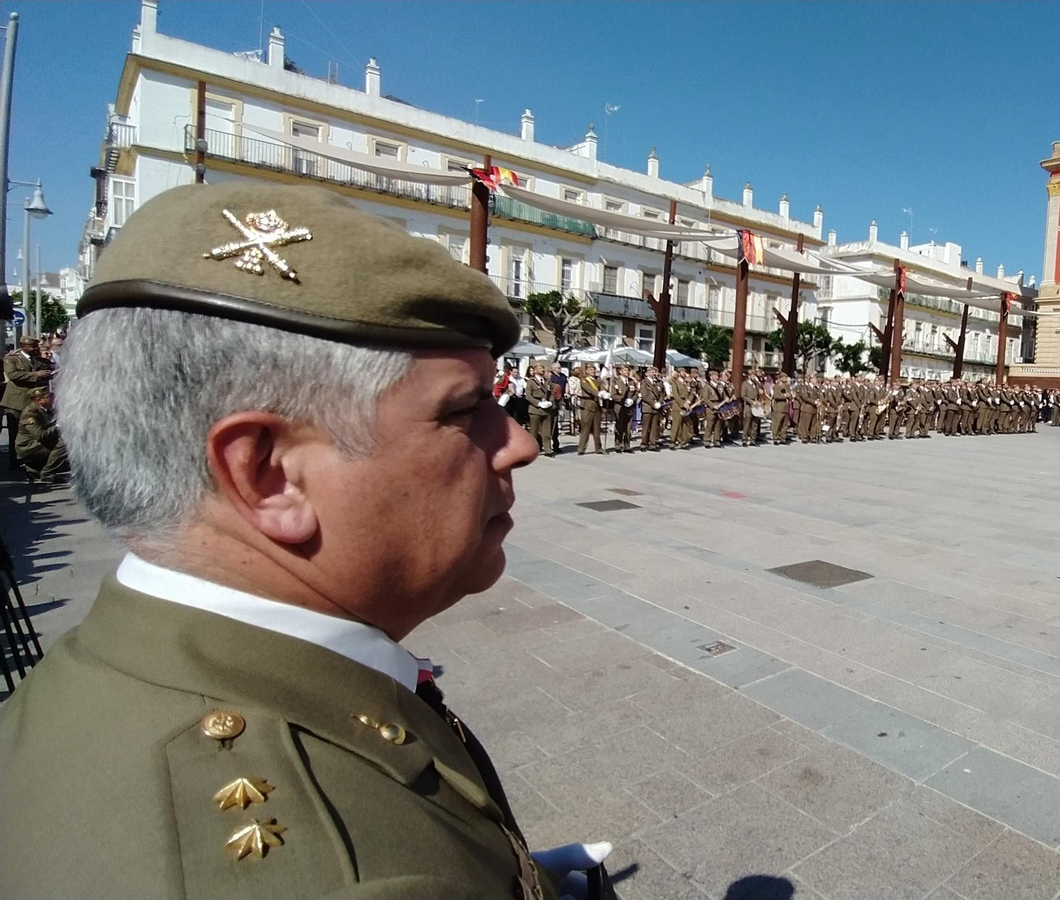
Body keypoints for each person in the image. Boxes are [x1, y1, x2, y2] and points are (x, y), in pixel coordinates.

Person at [0, 183, 613, 898]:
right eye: (466, 409)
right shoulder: (357, 879)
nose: (518, 445)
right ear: (269, 475)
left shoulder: (89, 677)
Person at [3, 336, 55, 469]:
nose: (35, 348)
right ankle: (15, 461)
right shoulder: (12, 359)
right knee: (14, 433)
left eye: (36, 346)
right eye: (32, 346)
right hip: (16, 402)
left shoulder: (39, 360)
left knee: (37, 430)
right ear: (23, 346)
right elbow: (13, 375)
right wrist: (36, 375)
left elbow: (49, 369)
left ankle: (35, 459)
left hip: (35, 402)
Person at [16, 386, 68, 481]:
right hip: (29, 446)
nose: (53, 398)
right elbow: (40, 435)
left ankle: (36, 468)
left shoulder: (47, 409)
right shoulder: (30, 414)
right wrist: (58, 426)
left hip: (39, 443)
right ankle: (48, 473)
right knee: (64, 444)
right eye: (49, 397)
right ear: (39, 400)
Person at [571, 363, 605, 455]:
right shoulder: (584, 380)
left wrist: (604, 393)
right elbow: (589, 389)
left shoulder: (598, 380)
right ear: (586, 371)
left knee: (597, 429)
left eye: (594, 369)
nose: (593, 371)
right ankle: (581, 449)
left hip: (597, 405)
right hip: (587, 405)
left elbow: (602, 388)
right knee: (585, 428)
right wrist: (598, 393)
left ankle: (598, 448)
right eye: (590, 369)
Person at [526, 363, 556, 454]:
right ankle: (532, 449)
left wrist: (550, 402)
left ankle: (548, 449)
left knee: (546, 431)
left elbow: (551, 393)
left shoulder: (547, 381)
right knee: (534, 431)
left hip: (546, 409)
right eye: (540, 368)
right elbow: (528, 396)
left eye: (543, 368)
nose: (542, 370)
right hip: (535, 409)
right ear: (534, 370)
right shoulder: (531, 382)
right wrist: (538, 403)